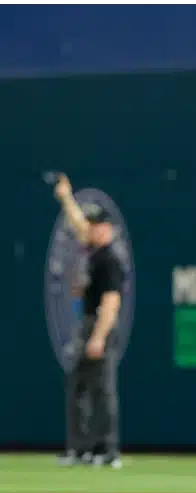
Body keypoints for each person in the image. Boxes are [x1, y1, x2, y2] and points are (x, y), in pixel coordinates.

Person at [53, 173, 124, 469]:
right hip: (87, 325)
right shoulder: (94, 253)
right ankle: (80, 448)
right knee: (79, 386)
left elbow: (111, 302)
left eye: (97, 225)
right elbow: (79, 226)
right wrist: (66, 198)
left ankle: (107, 450)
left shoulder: (110, 260)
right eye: (91, 225)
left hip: (99, 326)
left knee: (102, 389)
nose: (91, 229)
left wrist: (98, 336)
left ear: (108, 229)